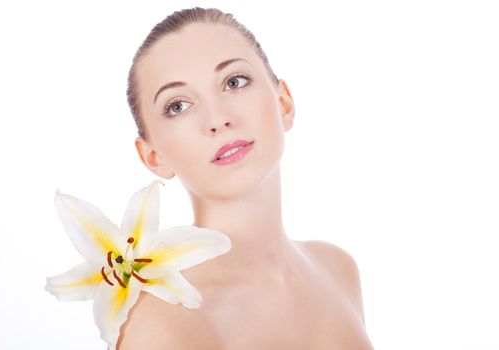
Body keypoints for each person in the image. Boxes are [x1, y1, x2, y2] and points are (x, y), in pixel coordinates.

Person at [120, 6, 374, 350]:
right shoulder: (162, 316)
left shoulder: (338, 269)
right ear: (153, 157)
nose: (217, 118)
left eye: (234, 82)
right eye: (177, 105)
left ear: (283, 102)